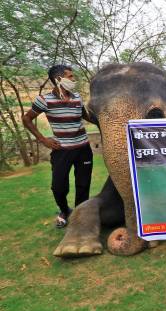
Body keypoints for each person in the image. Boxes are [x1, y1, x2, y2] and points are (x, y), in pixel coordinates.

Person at [22, 64, 93, 228]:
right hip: (61, 151)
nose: (73, 79)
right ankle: (65, 210)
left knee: (83, 184)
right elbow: (26, 119)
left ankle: (80, 215)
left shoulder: (76, 97)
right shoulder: (44, 100)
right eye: (70, 77)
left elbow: (86, 116)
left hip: (83, 149)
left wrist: (107, 123)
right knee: (58, 187)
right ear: (58, 79)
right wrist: (43, 139)